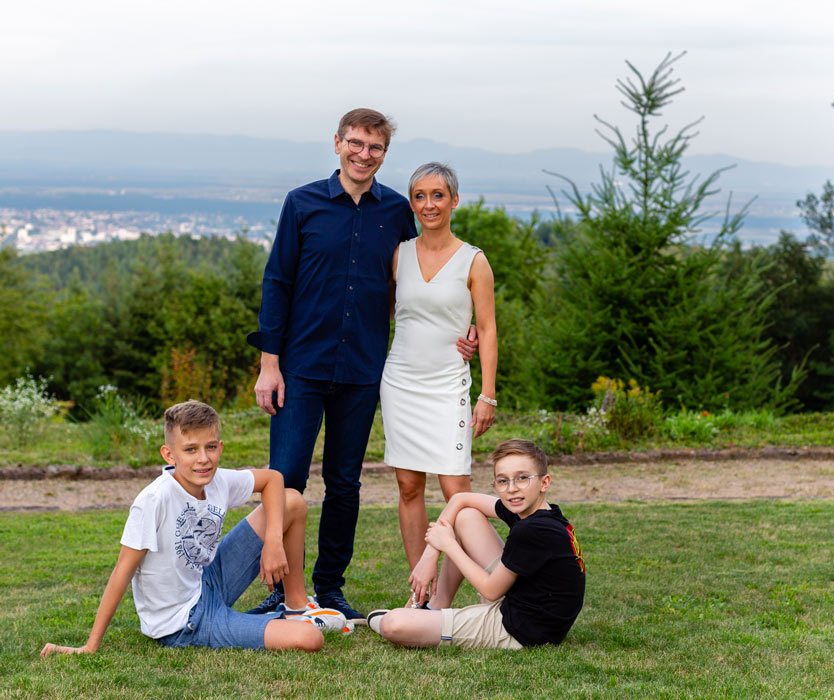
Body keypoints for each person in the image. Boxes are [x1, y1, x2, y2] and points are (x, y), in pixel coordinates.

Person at [246, 110, 477, 619]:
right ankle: (285, 590)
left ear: (383, 154)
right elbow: (276, 283)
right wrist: (270, 364)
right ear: (337, 144)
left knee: (345, 483)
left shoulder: (397, 211)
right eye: (355, 143)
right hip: (300, 367)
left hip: (363, 369)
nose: (363, 154)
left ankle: (329, 589)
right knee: (285, 481)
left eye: (374, 147)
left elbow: (422, 278)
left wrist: (467, 325)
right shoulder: (302, 203)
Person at [39, 400, 346, 658]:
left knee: (291, 501)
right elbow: (122, 571)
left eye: (210, 447)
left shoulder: (218, 479)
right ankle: (279, 624)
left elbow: (274, 479)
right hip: (186, 620)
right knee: (309, 639)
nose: (203, 459)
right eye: (190, 450)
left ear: (220, 446)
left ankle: (296, 607)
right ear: (169, 455)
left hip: (207, 580)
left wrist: (273, 542)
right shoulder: (153, 500)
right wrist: (90, 646)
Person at [380, 162, 497, 572]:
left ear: (454, 200)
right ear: (411, 204)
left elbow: (487, 328)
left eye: (437, 195)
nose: (429, 205)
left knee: (457, 492)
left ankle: (480, 579)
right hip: (400, 384)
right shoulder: (399, 255)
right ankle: (421, 593)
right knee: (408, 487)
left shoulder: (474, 261)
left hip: (449, 385)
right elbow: (390, 312)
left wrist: (487, 395)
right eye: (420, 196)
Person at [365, 439, 586, 649]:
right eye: (503, 480)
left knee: (392, 624)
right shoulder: (541, 513)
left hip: (521, 629)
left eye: (522, 478)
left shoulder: (532, 530)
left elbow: (490, 590)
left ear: (544, 482)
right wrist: (429, 555)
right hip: (531, 610)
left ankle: (424, 619)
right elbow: (461, 498)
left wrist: (448, 544)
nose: (512, 489)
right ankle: (436, 606)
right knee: (466, 516)